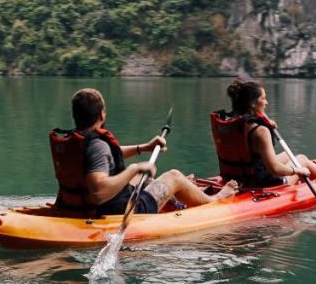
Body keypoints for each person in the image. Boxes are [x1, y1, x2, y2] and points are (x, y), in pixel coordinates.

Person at [51, 88, 238, 216]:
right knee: (173, 176)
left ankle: (176, 196)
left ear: (76, 115)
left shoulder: (80, 141)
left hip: (77, 208)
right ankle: (216, 198)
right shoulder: (97, 145)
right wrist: (134, 169)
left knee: (145, 181)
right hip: (120, 212)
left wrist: (144, 147)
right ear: (102, 115)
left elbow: (106, 157)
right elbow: (98, 193)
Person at [210, 78, 316, 188]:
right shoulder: (259, 131)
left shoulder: (228, 124)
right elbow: (274, 169)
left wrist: (263, 121)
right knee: (302, 159)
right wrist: (297, 171)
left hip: (236, 179)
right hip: (263, 183)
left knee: (287, 155)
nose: (266, 103)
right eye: (264, 98)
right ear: (252, 103)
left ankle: (315, 169)